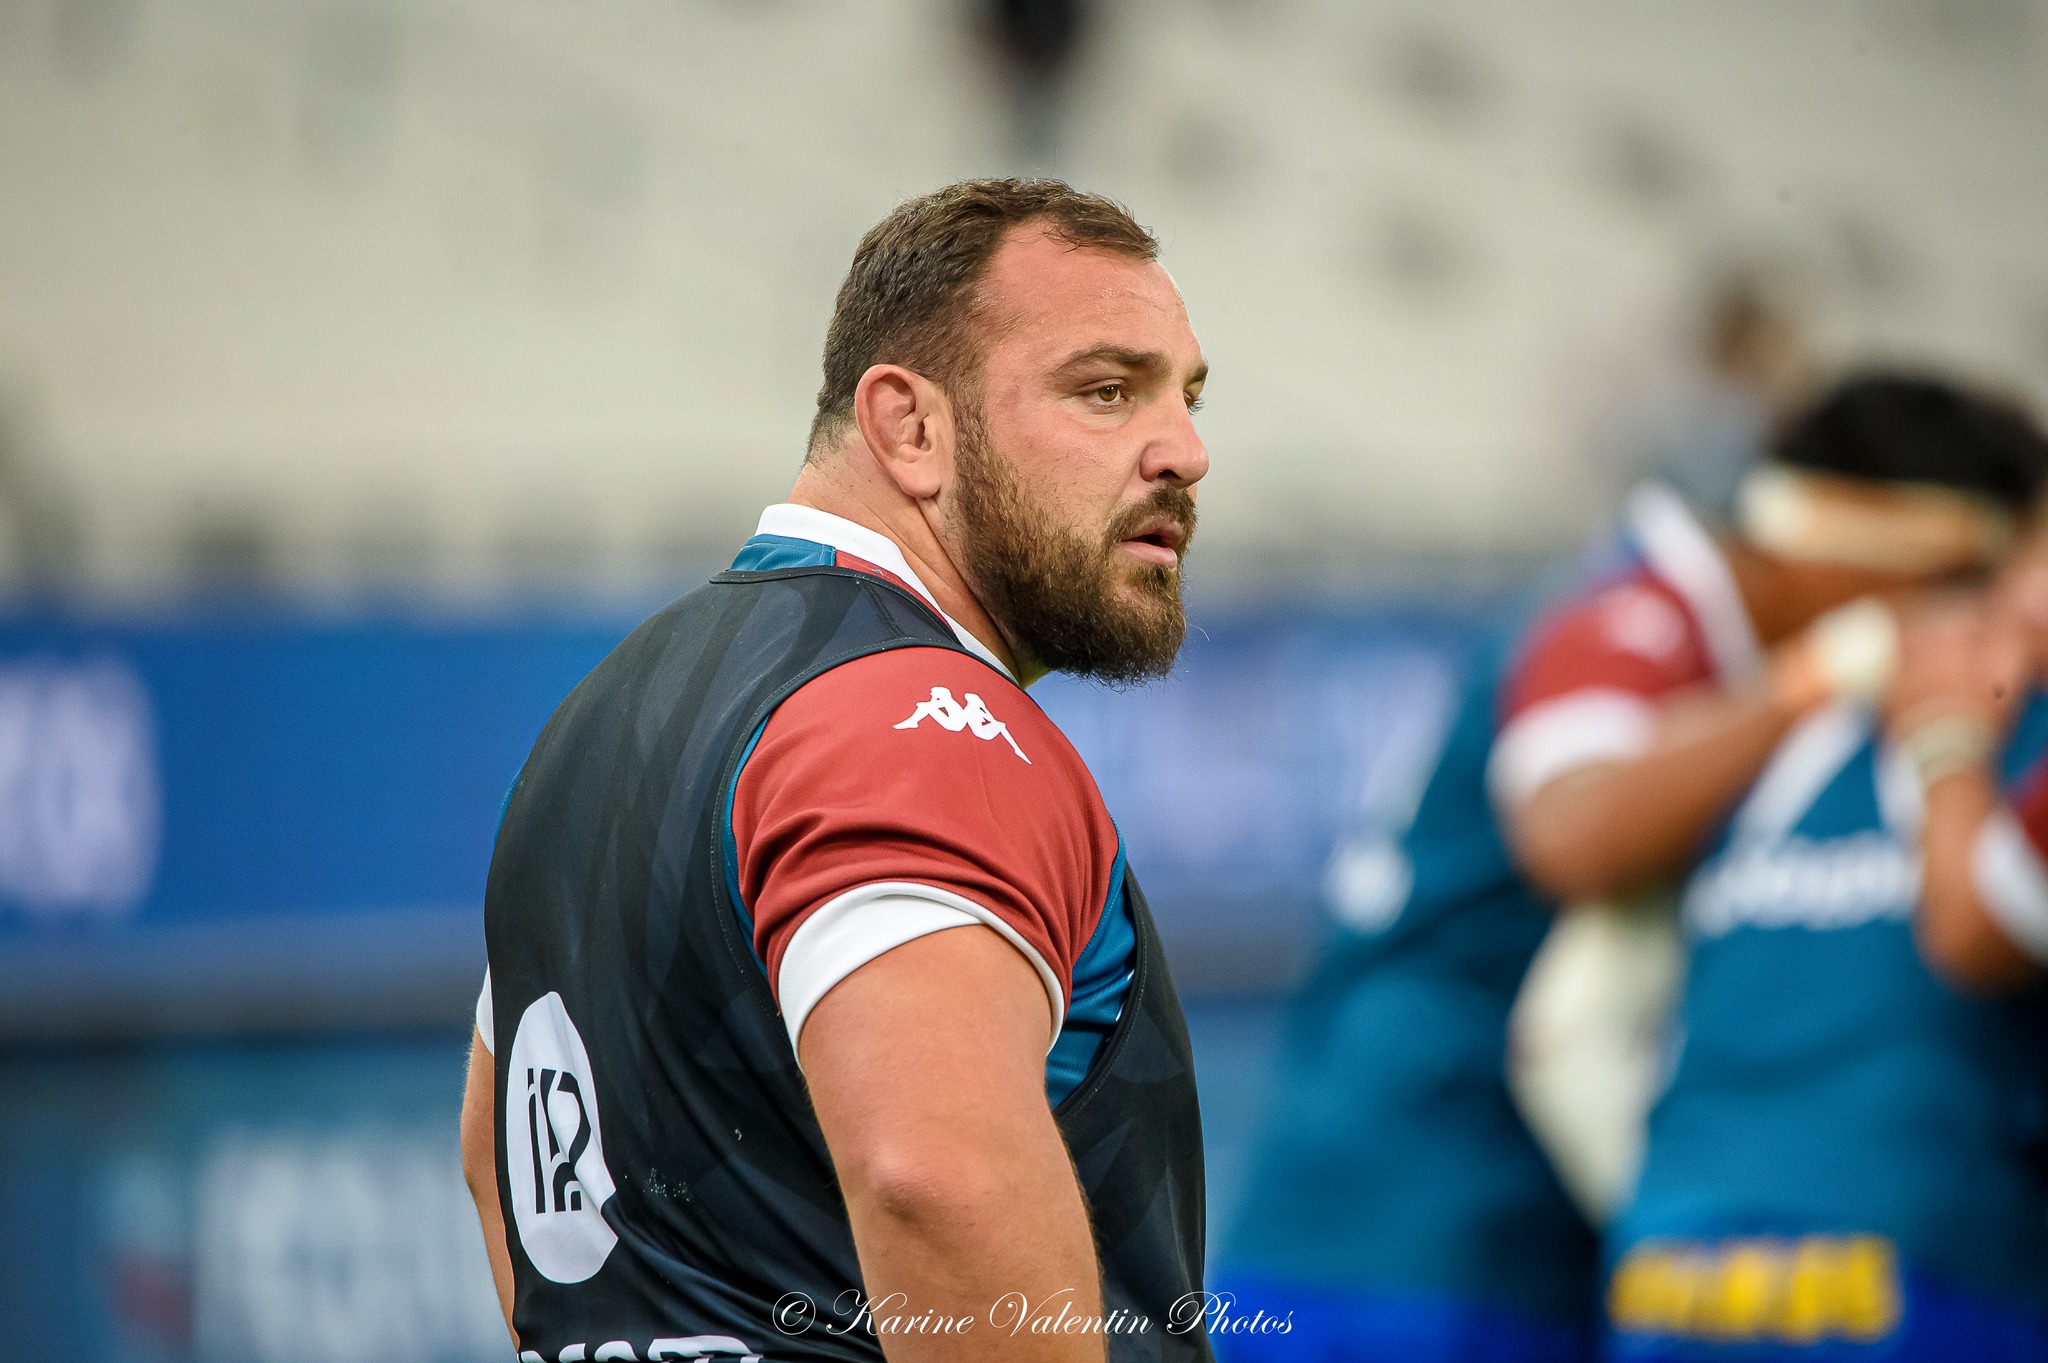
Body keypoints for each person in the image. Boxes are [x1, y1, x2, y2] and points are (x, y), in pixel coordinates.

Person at [457, 179, 1214, 1363]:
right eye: (1105, 391)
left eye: (1186, 395)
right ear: (910, 427)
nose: (1184, 451)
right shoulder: (914, 716)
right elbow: (934, 1178)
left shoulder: (600, 715)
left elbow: (497, 1161)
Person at [1216, 374, 2030, 1363]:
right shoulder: (1636, 617)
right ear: (1889, 555)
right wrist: (1819, 673)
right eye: (1959, 593)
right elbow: (1572, 832)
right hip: (1430, 1228)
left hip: (1434, 1216)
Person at [1605, 386, 2048, 1361]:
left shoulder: (1749, 752)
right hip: (1921, 1263)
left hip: (1666, 1265)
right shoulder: (2016, 741)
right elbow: (1976, 934)